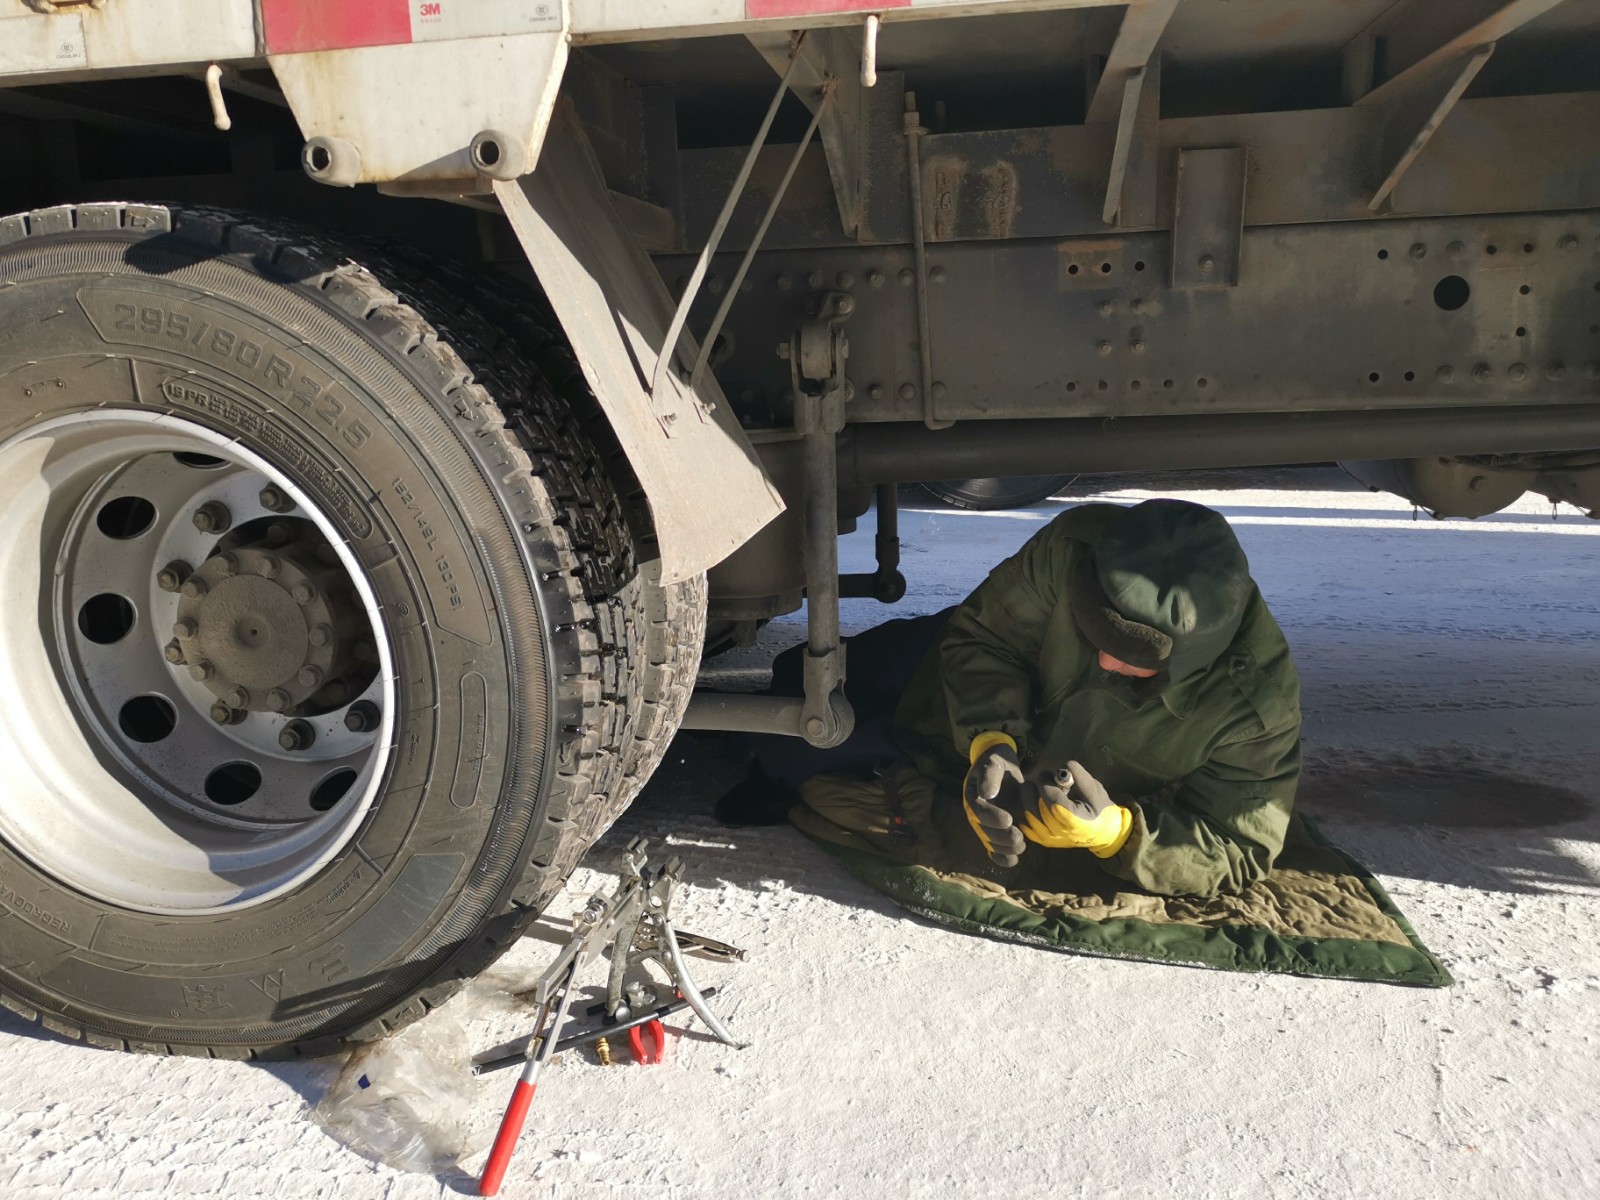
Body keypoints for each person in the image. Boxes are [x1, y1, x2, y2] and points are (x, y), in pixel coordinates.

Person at [720, 498, 1301, 899]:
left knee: (786, 752)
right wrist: (992, 740)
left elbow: (1239, 849)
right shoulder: (1076, 547)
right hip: (942, 668)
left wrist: (1118, 834)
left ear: (1184, 658)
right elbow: (985, 636)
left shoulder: (1255, 710)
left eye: (1128, 657)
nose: (1100, 662)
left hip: (992, 775)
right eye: (1091, 633)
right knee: (799, 678)